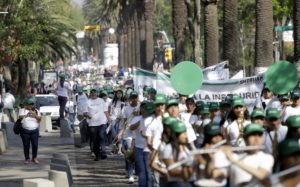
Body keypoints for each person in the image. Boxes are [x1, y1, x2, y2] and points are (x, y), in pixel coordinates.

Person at [84, 88, 109, 161]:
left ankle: (103, 152)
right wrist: (87, 115)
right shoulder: (87, 102)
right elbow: (84, 112)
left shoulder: (101, 100)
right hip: (92, 124)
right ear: (90, 94)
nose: (93, 94)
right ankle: (97, 154)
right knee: (94, 140)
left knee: (101, 136)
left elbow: (105, 110)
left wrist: (109, 119)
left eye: (94, 93)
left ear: (97, 93)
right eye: (92, 93)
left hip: (102, 122)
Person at [18, 97, 41, 164]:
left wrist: (35, 115)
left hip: (34, 130)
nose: (30, 106)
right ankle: (27, 158)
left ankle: (34, 158)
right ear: (26, 105)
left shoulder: (36, 111)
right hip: (25, 131)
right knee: (26, 145)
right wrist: (27, 115)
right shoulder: (22, 110)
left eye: (32, 104)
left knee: (35, 145)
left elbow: (40, 119)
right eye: (29, 104)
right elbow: (19, 117)